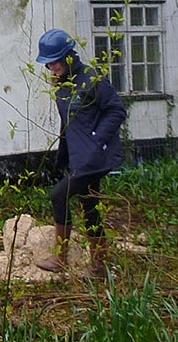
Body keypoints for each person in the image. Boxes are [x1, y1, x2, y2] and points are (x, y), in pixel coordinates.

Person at [32, 27, 127, 277]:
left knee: (58, 195)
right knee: (90, 206)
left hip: (93, 158)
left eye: (54, 62)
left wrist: (97, 139)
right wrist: (63, 157)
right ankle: (100, 264)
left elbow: (117, 110)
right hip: (78, 157)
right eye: (48, 64)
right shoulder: (63, 86)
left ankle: (61, 258)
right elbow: (68, 124)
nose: (51, 68)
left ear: (68, 56)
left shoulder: (92, 80)